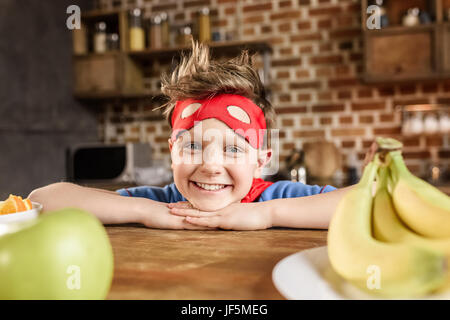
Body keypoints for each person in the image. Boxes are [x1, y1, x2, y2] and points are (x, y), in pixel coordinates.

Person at [28, 41, 377, 231]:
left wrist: (266, 215)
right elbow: (42, 200)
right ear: (172, 151)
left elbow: (366, 205)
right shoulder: (162, 201)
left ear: (261, 160)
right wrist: (147, 211)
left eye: (233, 149)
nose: (211, 165)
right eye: (192, 145)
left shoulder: (275, 198)